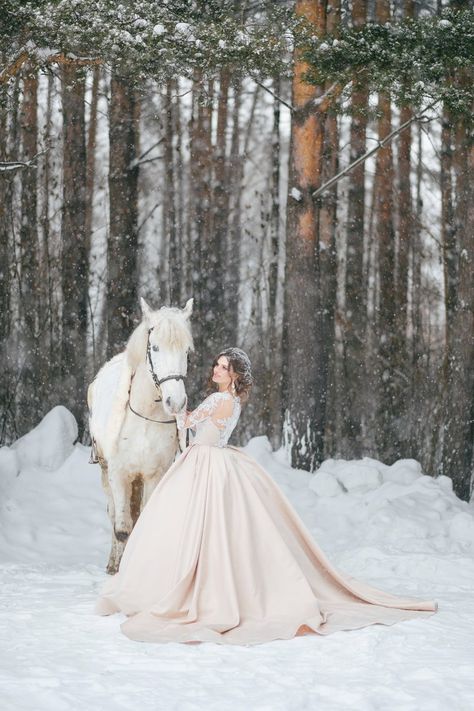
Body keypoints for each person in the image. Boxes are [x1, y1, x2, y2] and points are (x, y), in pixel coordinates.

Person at [95, 347, 437, 646]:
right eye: (216, 364)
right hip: (220, 459)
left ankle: (182, 585)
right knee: (213, 530)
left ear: (234, 376)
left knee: (185, 525)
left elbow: (185, 422)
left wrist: (168, 407)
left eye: (223, 367)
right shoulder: (234, 402)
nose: (215, 369)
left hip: (202, 463)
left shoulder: (217, 400)